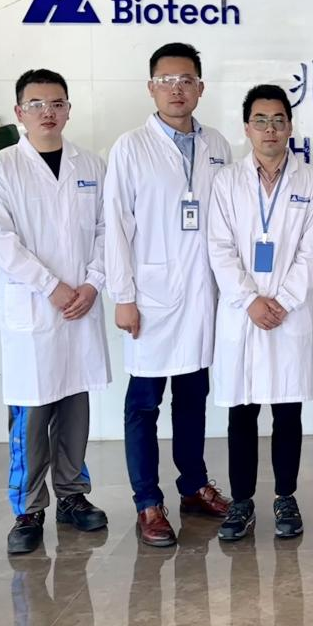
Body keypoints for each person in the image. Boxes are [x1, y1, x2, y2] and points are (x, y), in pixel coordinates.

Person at [104, 42, 233, 547]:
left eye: (186, 80)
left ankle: (193, 486)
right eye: (166, 81)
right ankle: (147, 502)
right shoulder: (130, 147)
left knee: (193, 397)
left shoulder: (217, 144)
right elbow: (116, 226)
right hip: (151, 296)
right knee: (143, 403)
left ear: (201, 87)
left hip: (202, 293)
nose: (176, 89)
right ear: (151, 88)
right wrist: (123, 295)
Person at [0, 68, 111, 555]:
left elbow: (108, 231)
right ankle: (28, 508)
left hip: (81, 307)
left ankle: (73, 496)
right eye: (36, 104)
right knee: (32, 415)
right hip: (34, 307)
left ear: (68, 109)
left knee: (75, 407)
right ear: (20, 112)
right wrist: (51, 286)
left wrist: (94, 284)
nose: (47, 112)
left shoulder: (90, 165)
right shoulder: (2, 169)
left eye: (56, 103)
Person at [208, 84, 313, 541]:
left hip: (287, 314)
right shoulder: (226, 182)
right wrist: (250, 300)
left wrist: (284, 300)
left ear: (290, 127)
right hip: (243, 313)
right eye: (261, 120)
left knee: (287, 412)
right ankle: (241, 502)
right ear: (247, 128)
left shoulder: (309, 182)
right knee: (242, 412)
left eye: (278, 120)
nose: (270, 129)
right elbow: (219, 248)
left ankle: (285, 497)